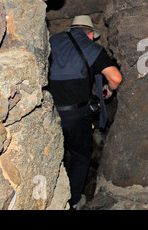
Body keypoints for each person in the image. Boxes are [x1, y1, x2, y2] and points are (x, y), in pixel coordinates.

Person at [48, 15, 122, 210]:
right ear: (91, 35)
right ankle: (73, 200)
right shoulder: (92, 48)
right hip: (76, 116)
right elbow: (115, 77)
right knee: (80, 156)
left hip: (47, 112)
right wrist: (110, 89)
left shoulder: (52, 41)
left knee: (51, 154)